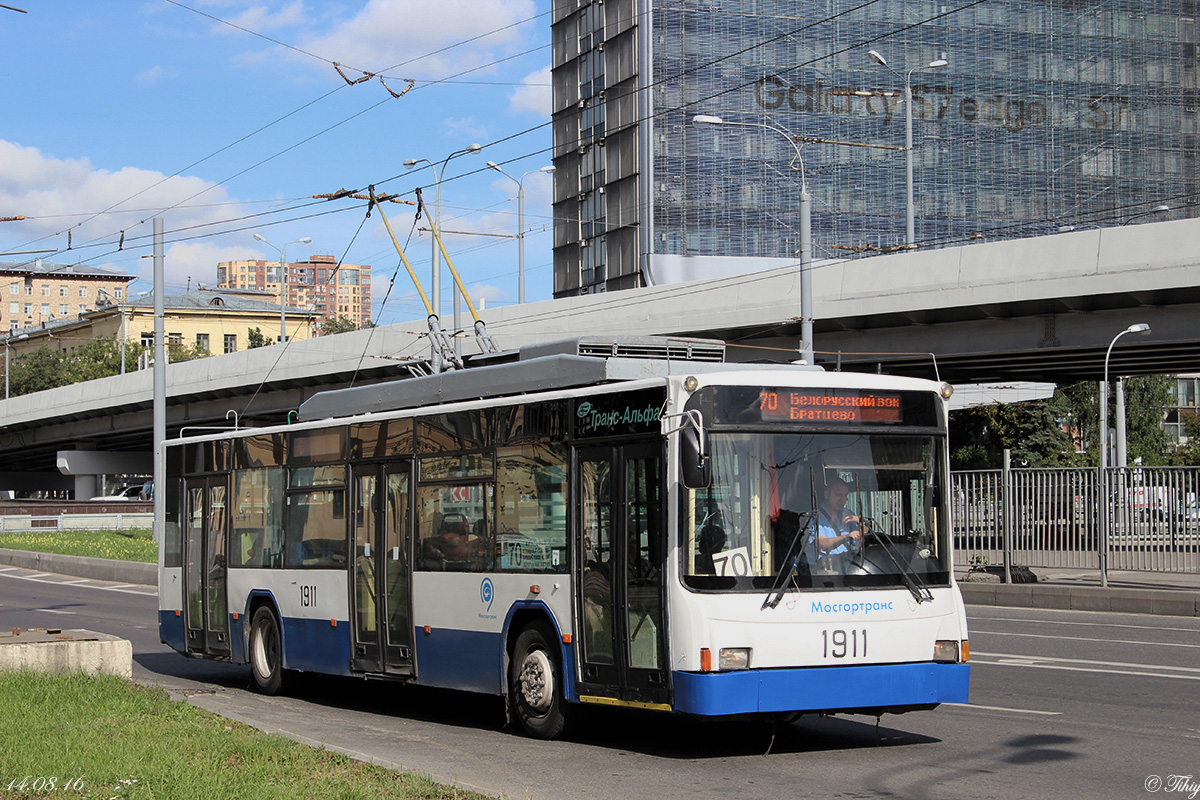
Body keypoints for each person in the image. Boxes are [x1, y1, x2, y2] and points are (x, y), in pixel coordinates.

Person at [814, 478, 863, 572]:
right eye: (838, 495)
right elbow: (823, 543)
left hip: (849, 567)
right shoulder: (815, 517)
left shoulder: (848, 514)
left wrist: (859, 521)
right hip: (825, 570)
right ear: (827, 494)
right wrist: (846, 537)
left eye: (845, 496)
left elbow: (864, 539)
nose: (843, 500)